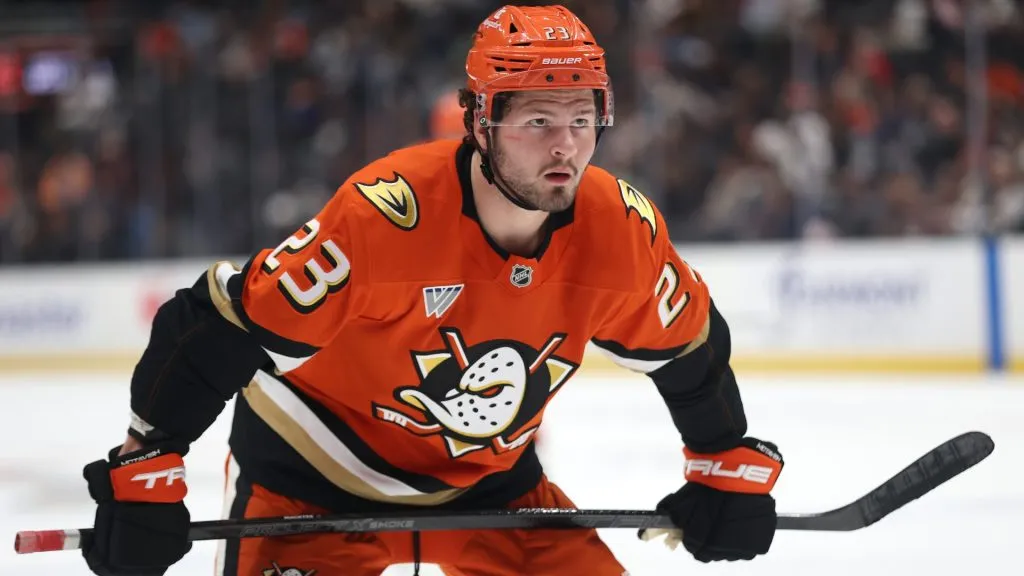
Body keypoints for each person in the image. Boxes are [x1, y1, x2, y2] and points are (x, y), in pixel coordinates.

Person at [79, 5, 784, 576]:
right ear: (481, 120)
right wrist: (148, 466)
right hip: (311, 480)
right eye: (538, 120)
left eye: (581, 117)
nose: (566, 146)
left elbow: (688, 350)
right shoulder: (384, 218)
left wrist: (720, 460)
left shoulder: (620, 229)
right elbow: (215, 327)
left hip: (491, 486)